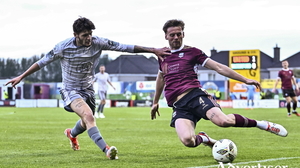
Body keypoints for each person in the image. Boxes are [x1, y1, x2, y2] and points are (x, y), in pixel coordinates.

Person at [6, 17, 170, 160]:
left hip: (88, 90)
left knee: (86, 122)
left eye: (90, 34)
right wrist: (21, 76)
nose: (89, 38)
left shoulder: (98, 42)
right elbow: (42, 62)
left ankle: (72, 134)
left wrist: (153, 50)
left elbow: (124, 47)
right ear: (75, 35)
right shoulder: (62, 47)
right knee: (89, 116)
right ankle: (106, 149)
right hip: (71, 90)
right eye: (85, 35)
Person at [150, 19, 288, 151]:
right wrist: (155, 102)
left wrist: (245, 80)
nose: (176, 37)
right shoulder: (163, 55)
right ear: (166, 36)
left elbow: (218, 67)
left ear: (183, 34)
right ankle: (205, 139)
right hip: (178, 105)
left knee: (224, 121)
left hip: (195, 96)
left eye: (178, 34)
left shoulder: (192, 52)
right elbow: (161, 77)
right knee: (188, 141)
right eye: (172, 35)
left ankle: (262, 124)